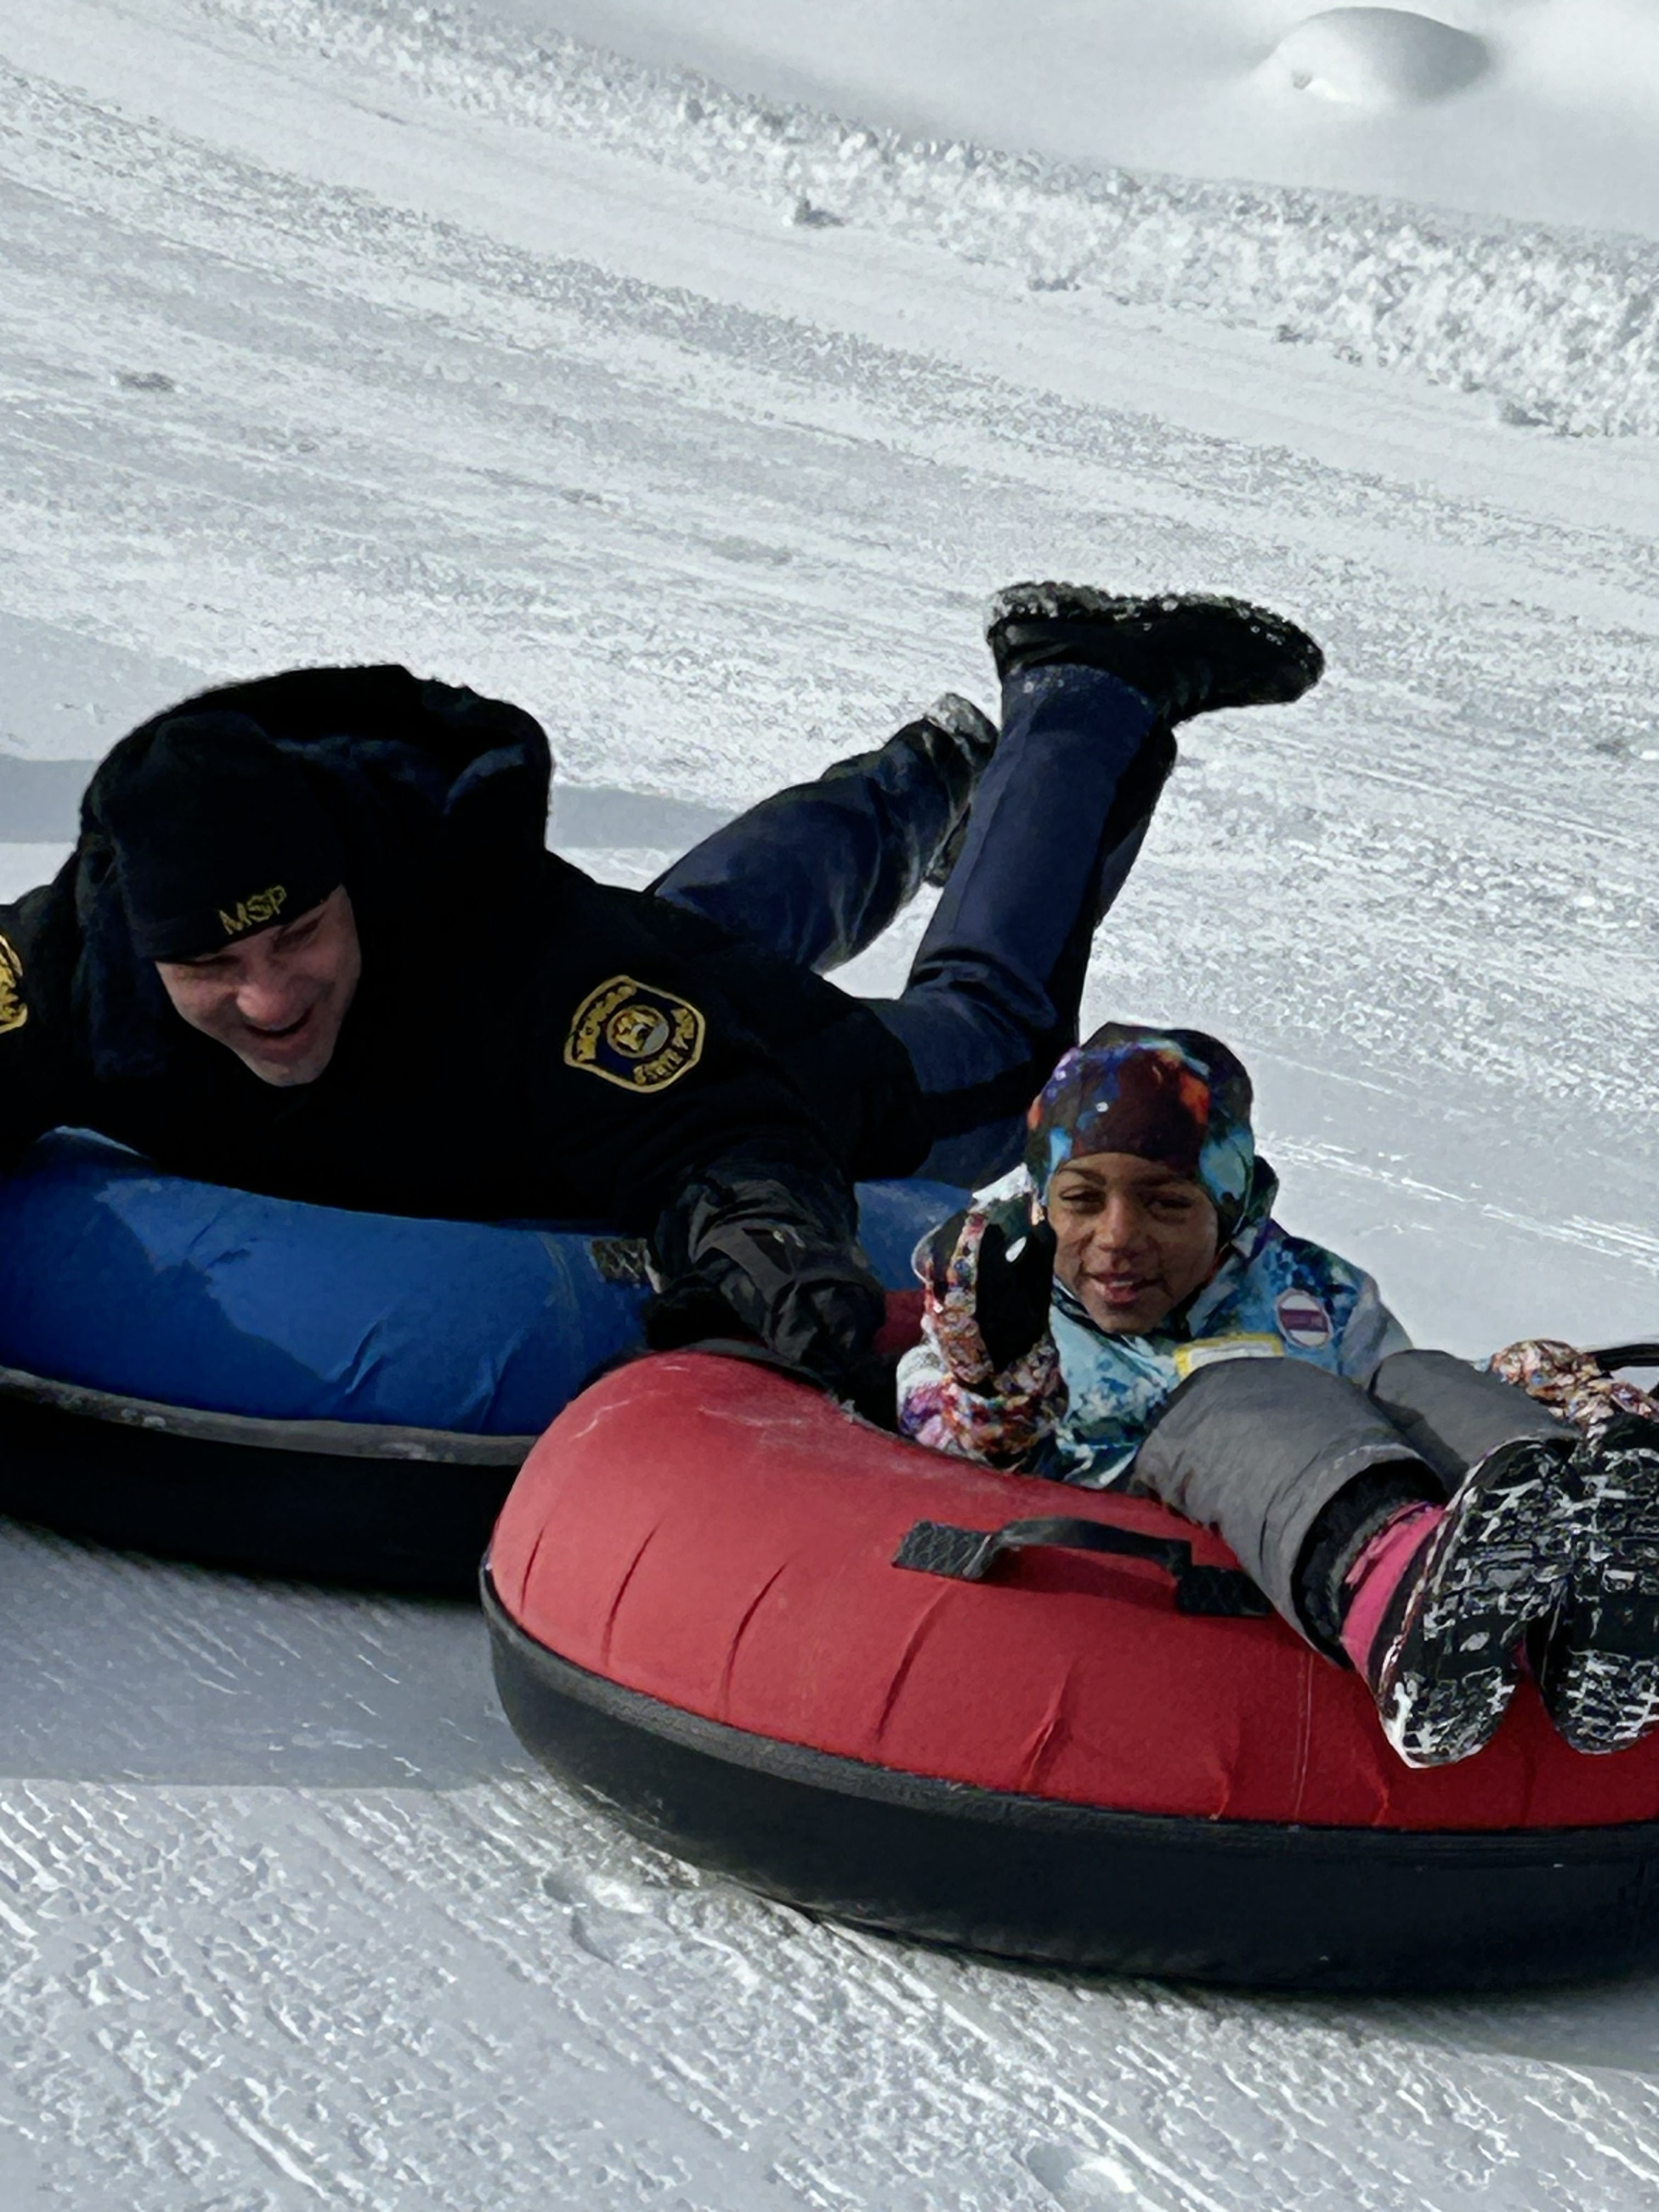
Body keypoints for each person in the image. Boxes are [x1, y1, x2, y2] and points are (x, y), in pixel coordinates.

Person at [0, 584, 1321, 1407]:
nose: (269, 996)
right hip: (613, 996)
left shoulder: (509, 956)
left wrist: (767, 1248)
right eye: (212, 970)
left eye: (297, 935)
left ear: (354, 885)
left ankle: (1086, 688)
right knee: (670, 943)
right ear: (135, 939)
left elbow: (715, 1133)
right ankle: (920, 775)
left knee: (988, 1038)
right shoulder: (71, 964)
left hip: (750, 1062)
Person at [898, 1024, 1659, 1768]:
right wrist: (995, 1380)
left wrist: (1516, 1394)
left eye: (1166, 1203)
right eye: (1082, 1200)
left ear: (1228, 1207)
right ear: (1040, 1200)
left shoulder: (1312, 1292)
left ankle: (1590, 1580)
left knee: (1415, 1378)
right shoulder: (997, 1302)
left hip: (1316, 1489)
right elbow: (934, 1465)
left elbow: (1392, 1410)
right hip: (1131, 1565)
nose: (1118, 1234)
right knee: (1233, 1396)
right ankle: (1401, 1596)